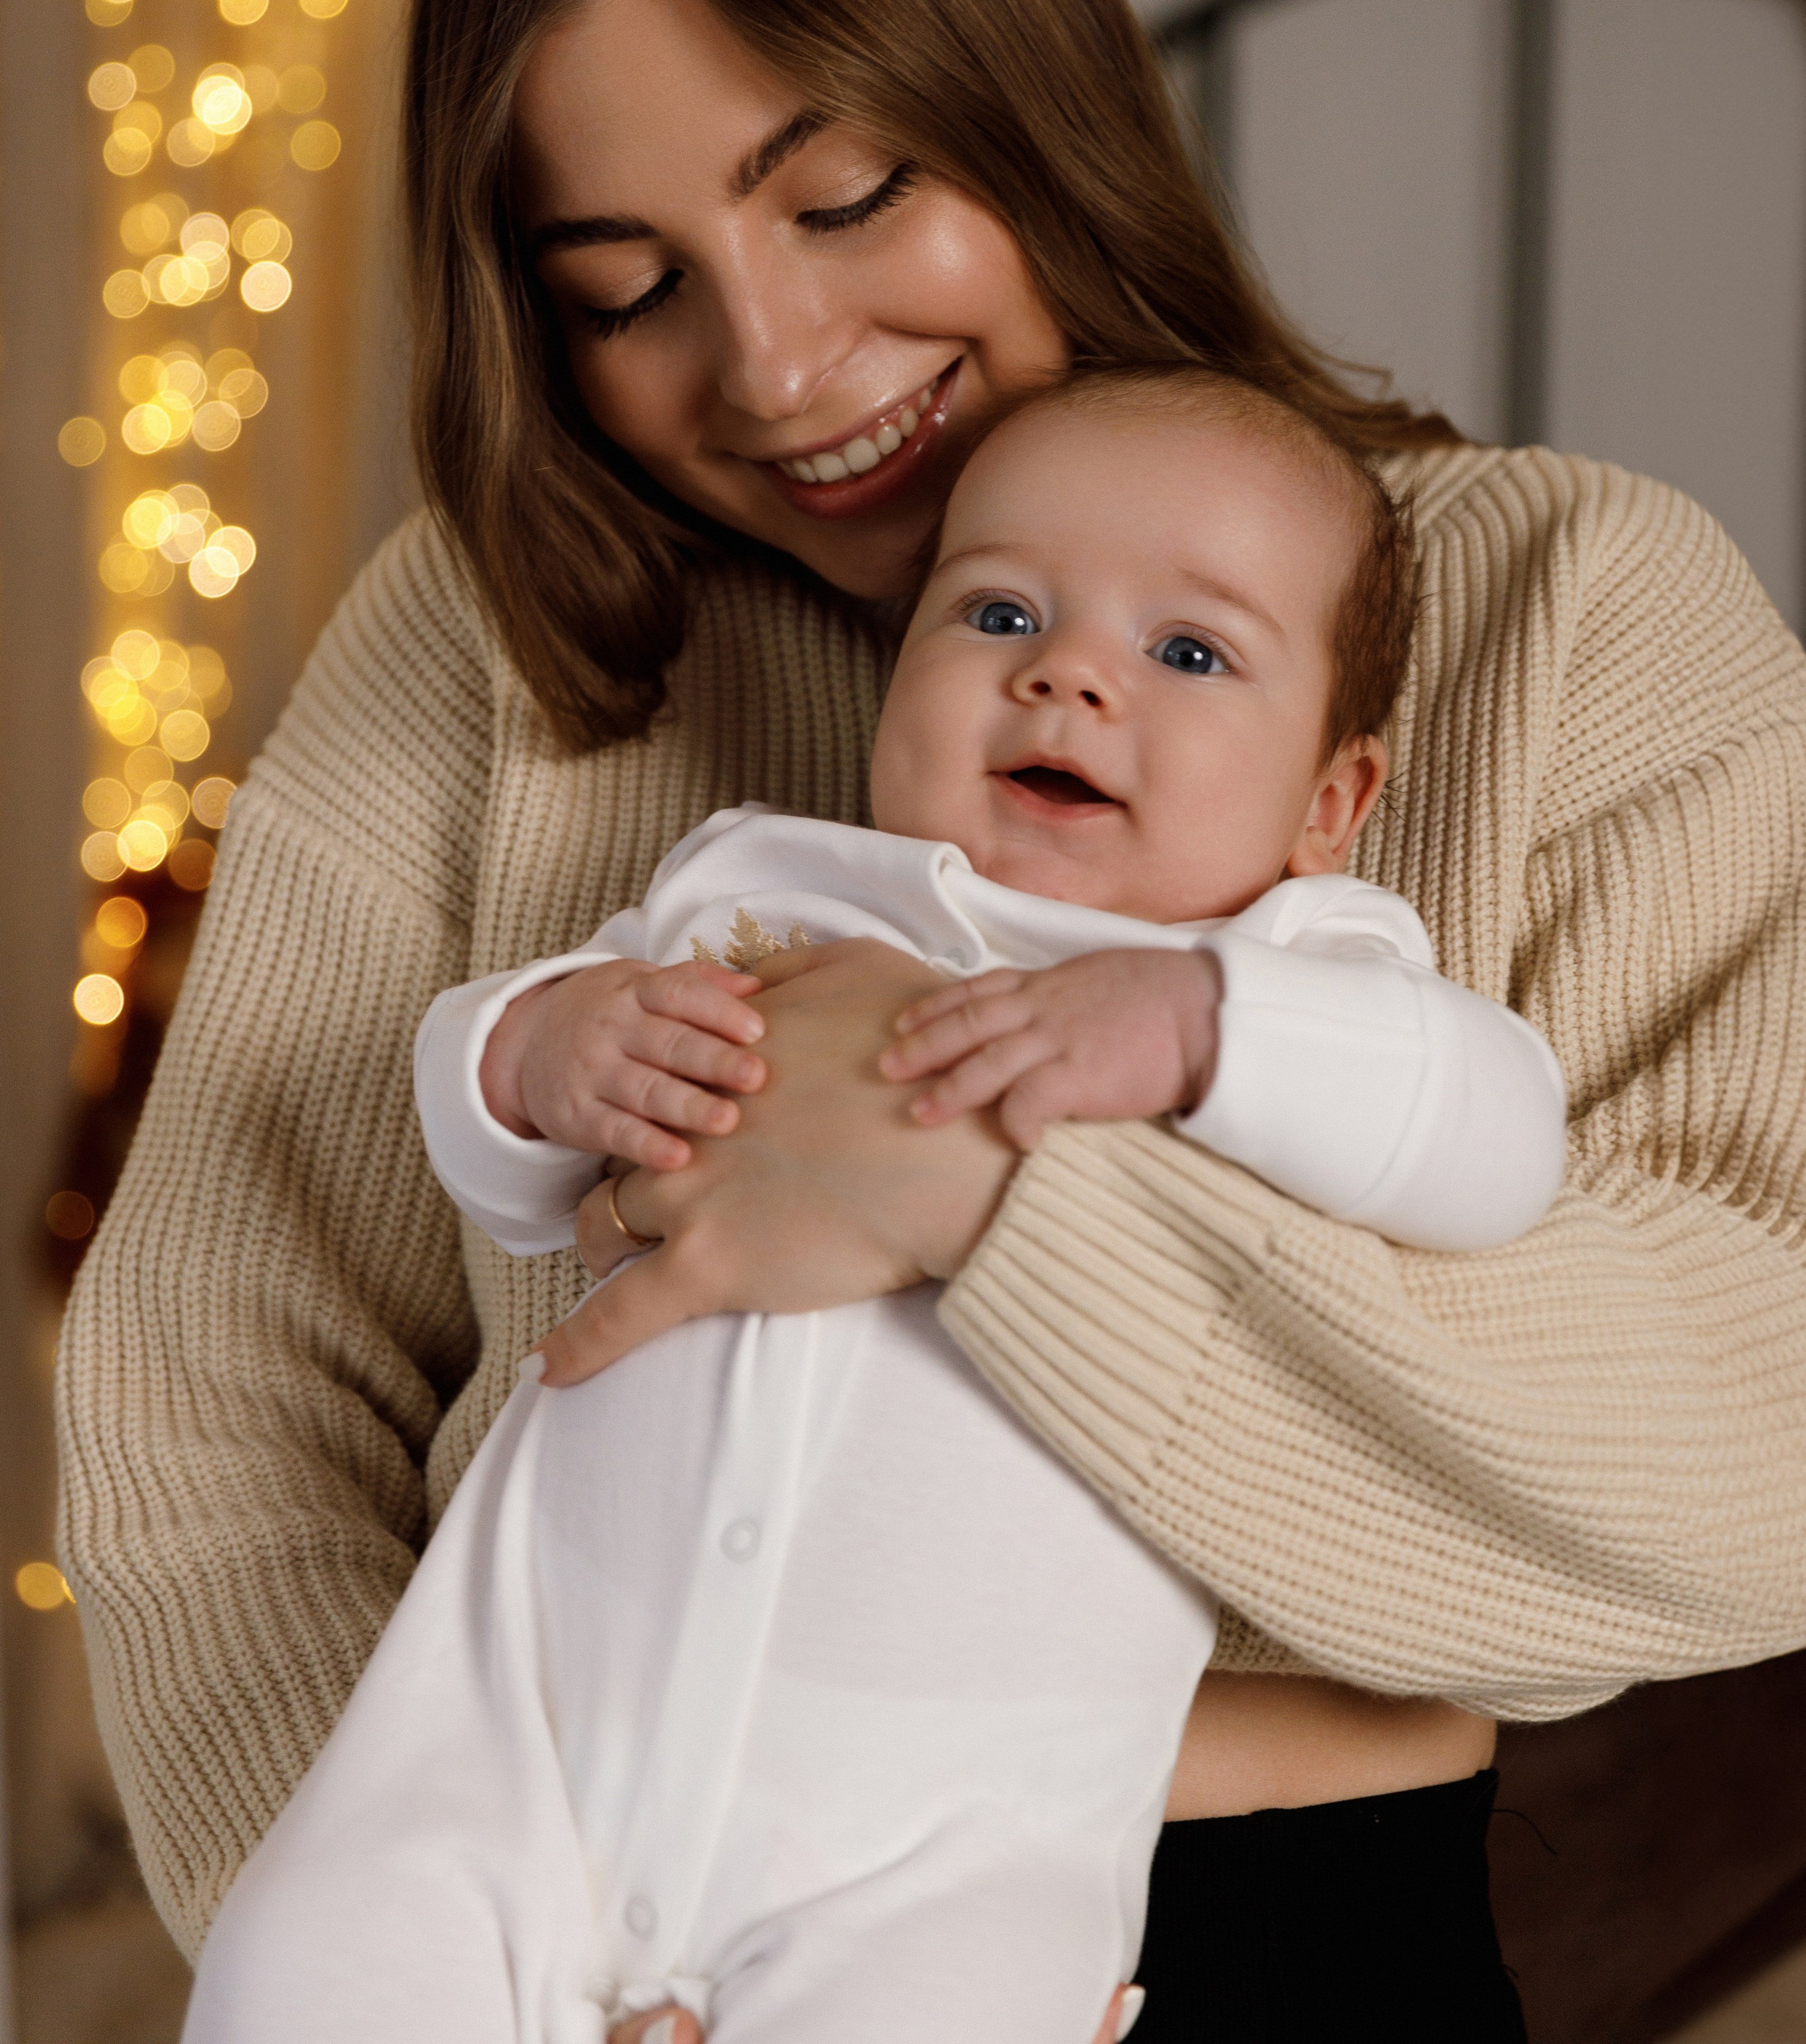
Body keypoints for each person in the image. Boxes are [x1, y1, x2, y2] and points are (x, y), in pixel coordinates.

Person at [57, 0, 1806, 2043]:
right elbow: (211, 1389)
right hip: (540, 1903)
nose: (775, 363)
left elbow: (1756, 1429)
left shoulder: (1575, 609)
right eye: (626, 286)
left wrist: (972, 1186)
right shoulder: (499, 650)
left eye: (847, 193)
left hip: (1231, 1940)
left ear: (1029, 91)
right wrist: (452, 1926)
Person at [181, 371, 1564, 2044]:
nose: (1066, 671)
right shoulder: (760, 894)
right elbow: (514, 1175)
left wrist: (1197, 1028)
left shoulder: (1296, 976)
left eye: (1187, 651)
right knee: (298, 1964)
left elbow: (1498, 1139)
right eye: (995, 611)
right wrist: (539, 1053)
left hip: (940, 1831)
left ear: (1327, 804)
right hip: (516, 1744)